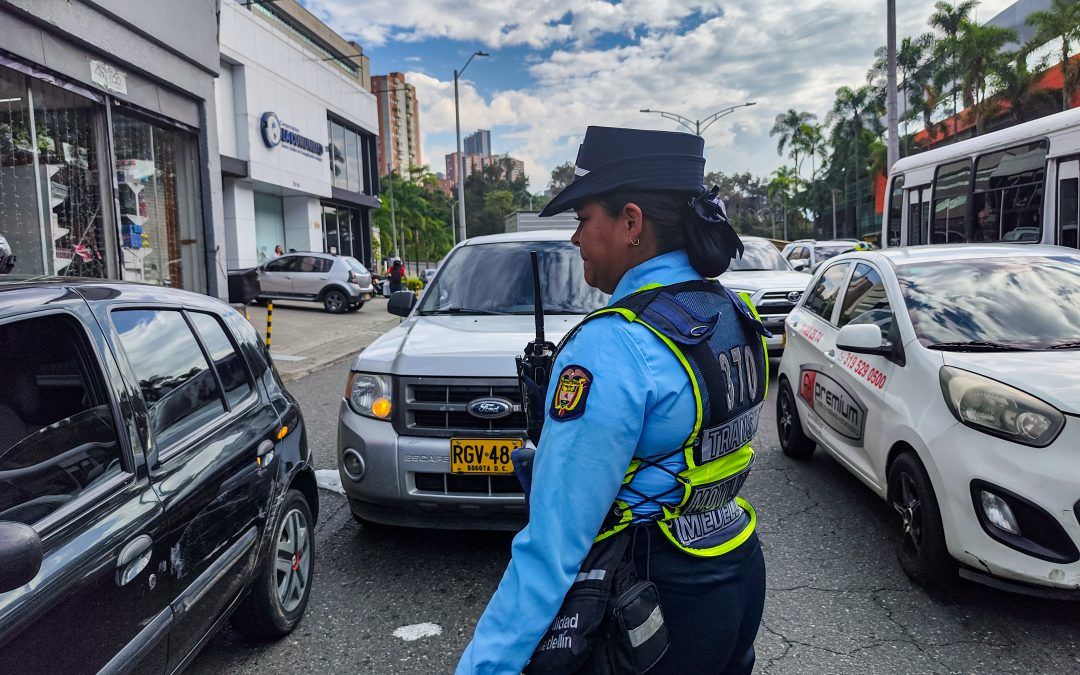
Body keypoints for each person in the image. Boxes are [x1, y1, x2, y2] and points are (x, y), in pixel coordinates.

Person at [457, 127, 768, 674]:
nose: (575, 239)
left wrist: (483, 668)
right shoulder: (728, 312)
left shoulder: (613, 343)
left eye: (583, 219)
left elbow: (554, 549)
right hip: (734, 571)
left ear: (631, 223)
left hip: (653, 599)